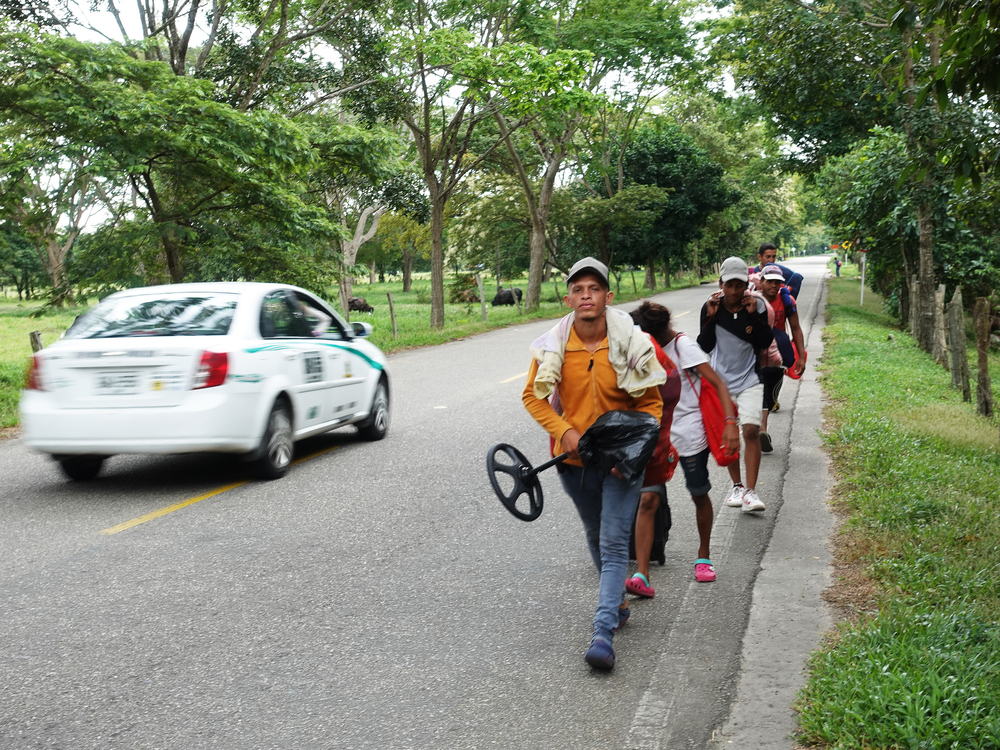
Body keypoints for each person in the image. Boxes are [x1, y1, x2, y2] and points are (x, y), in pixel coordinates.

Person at [522, 257, 665, 671]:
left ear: (608, 296)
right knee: (593, 530)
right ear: (568, 298)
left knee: (615, 541)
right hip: (573, 460)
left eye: (595, 289)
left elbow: (651, 405)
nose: (587, 296)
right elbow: (532, 396)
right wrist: (565, 433)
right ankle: (616, 601)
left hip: (622, 462)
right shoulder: (553, 346)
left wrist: (630, 457)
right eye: (578, 289)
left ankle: (603, 630)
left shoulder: (633, 343)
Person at [627, 302, 739, 589]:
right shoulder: (641, 349)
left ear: (658, 332)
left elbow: (718, 384)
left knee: (699, 494)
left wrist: (729, 423)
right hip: (657, 434)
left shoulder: (683, 347)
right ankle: (642, 574)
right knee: (648, 499)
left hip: (690, 434)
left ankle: (704, 556)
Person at [698, 257, 774, 514]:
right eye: (729, 285)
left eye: (739, 285)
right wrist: (710, 318)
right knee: (728, 437)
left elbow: (764, 341)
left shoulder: (758, 306)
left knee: (751, 431)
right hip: (721, 383)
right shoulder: (710, 306)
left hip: (750, 378)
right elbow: (705, 346)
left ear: (746, 285)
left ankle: (751, 493)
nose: (734, 291)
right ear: (721, 284)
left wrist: (753, 317)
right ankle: (737, 486)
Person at [625, 302, 681, 598]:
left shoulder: (666, 363)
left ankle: (642, 573)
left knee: (648, 499)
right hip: (623, 442)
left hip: (653, 442)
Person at [755, 265, 807, 453]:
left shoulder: (787, 300)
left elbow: (795, 328)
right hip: (755, 352)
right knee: (760, 387)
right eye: (769, 281)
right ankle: (761, 428)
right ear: (761, 282)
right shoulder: (751, 300)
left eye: (777, 282)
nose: (774, 285)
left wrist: (800, 356)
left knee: (771, 389)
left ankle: (761, 427)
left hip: (777, 353)